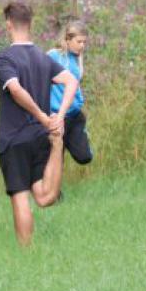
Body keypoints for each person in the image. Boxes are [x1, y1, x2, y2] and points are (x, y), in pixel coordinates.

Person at [0, 0, 75, 247]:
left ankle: (25, 254)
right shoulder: (42, 57)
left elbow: (16, 90)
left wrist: (44, 117)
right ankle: (57, 146)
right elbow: (71, 81)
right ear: (30, 24)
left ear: (8, 24)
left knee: (21, 198)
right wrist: (58, 117)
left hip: (14, 139)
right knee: (43, 197)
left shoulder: (5, 58)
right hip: (41, 137)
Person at [46, 20, 94, 188]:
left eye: (84, 42)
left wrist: (80, 58)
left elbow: (77, 80)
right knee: (56, 159)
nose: (82, 46)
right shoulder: (52, 55)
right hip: (56, 117)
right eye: (79, 41)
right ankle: (54, 194)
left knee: (84, 157)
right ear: (67, 39)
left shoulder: (78, 57)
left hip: (74, 116)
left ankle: (80, 138)